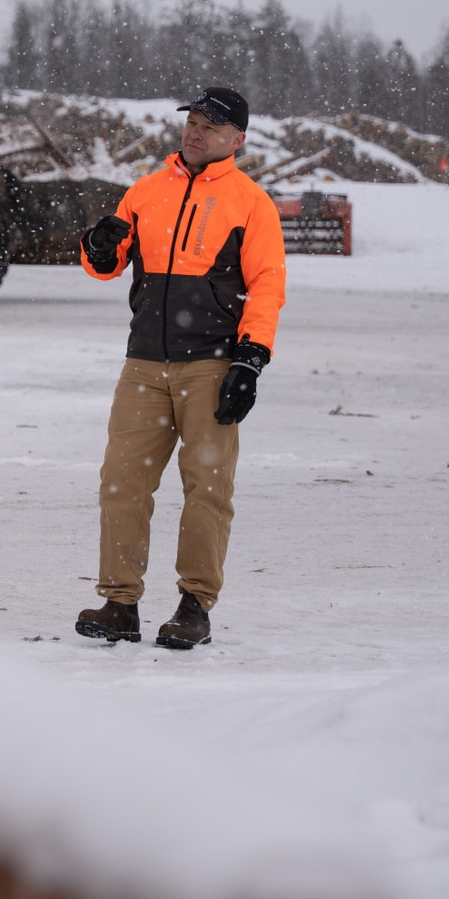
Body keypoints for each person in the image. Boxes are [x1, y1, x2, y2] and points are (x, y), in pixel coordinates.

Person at [73, 86, 286, 648]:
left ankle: (194, 605)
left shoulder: (250, 203)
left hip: (211, 367)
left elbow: (266, 286)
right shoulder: (145, 192)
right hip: (144, 363)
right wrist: (96, 245)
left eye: (210, 126)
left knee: (207, 489)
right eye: (192, 121)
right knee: (122, 483)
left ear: (236, 140)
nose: (195, 132)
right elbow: (106, 264)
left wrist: (251, 359)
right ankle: (120, 604)